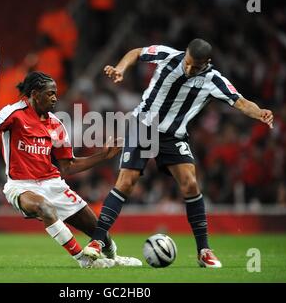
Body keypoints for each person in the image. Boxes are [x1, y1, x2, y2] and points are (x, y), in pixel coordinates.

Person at [84, 39, 274, 268]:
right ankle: (96, 242)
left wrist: (260, 112)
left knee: (190, 184)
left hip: (173, 136)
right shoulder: (167, 55)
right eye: (188, 63)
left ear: (207, 63)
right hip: (143, 125)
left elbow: (241, 102)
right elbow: (136, 52)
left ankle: (204, 251)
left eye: (195, 67)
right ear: (185, 54)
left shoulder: (214, 80)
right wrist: (120, 69)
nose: (189, 69)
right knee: (126, 182)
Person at [0, 71, 142, 268]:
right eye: (50, 93)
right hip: (21, 186)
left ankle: (114, 258)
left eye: (55, 93)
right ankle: (84, 260)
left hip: (53, 184)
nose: (55, 98)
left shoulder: (56, 124)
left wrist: (103, 156)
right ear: (34, 93)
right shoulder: (14, 114)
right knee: (44, 208)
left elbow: (68, 165)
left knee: (100, 232)